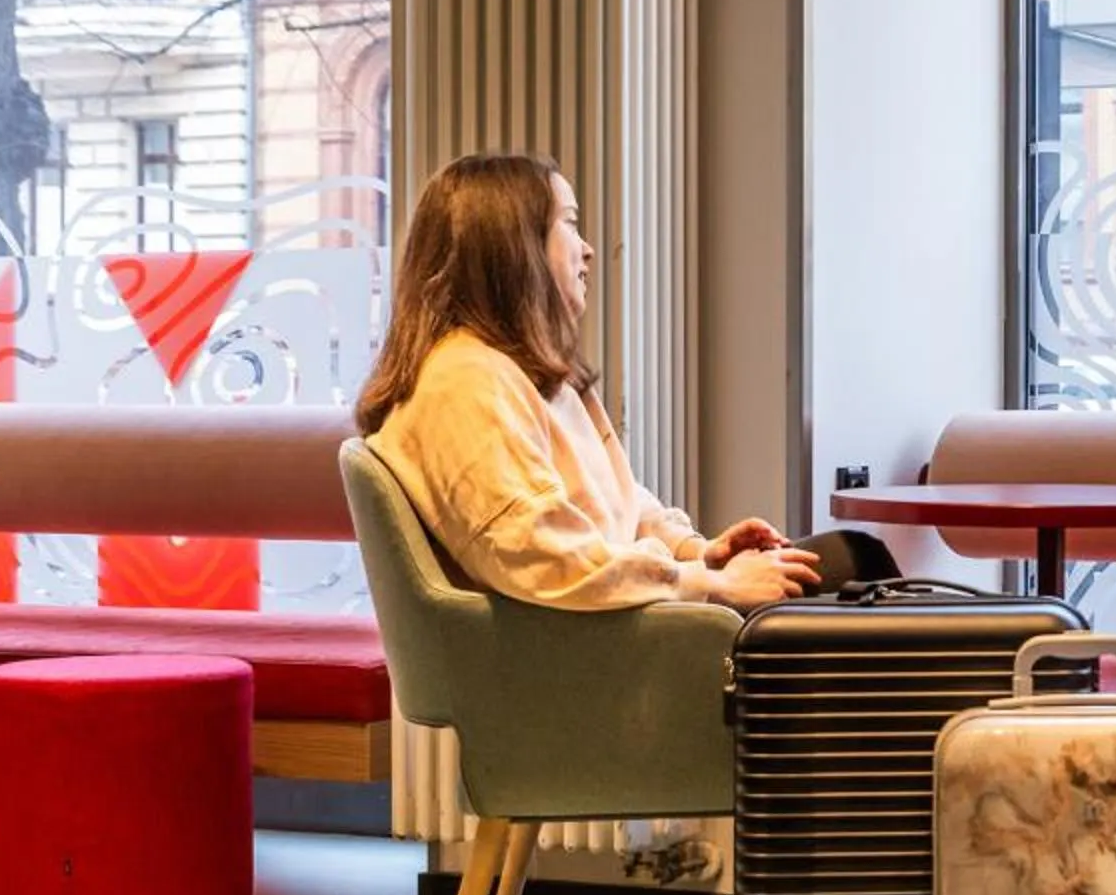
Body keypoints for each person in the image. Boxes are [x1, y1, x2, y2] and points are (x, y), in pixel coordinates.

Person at [358, 153, 876, 610]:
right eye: (569, 223)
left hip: (629, 619)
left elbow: (617, 503)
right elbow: (541, 553)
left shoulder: (516, 370)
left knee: (857, 560)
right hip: (612, 649)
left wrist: (698, 551)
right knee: (857, 564)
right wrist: (711, 584)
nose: (587, 250)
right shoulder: (465, 382)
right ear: (515, 244)